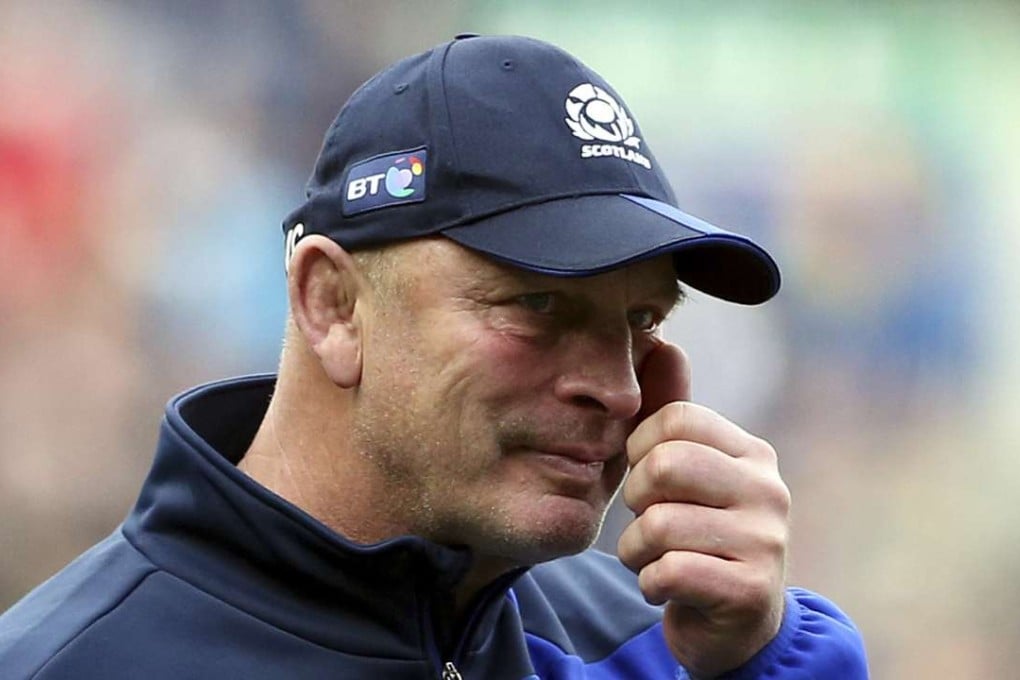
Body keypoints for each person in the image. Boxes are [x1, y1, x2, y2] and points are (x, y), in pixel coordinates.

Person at [0, 35, 868, 679]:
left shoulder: (654, 645)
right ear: (332, 306)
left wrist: (758, 662)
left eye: (639, 322)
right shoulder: (78, 663)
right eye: (537, 305)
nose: (613, 386)